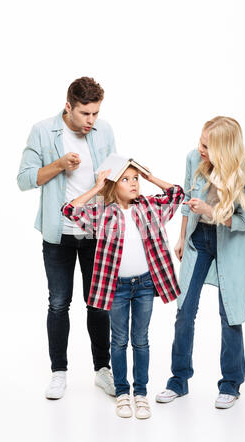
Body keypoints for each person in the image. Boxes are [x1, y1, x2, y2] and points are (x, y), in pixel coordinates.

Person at [17, 77, 117, 399]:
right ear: (68, 106)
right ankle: (58, 373)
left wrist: (113, 179)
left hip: (95, 231)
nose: (91, 121)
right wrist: (59, 165)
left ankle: (103, 370)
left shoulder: (105, 131)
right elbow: (24, 179)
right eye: (85, 114)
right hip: (58, 232)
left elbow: (113, 180)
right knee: (59, 303)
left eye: (96, 114)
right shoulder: (44, 131)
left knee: (98, 305)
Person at [156, 116, 245, 409]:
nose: (199, 148)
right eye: (200, 141)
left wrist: (211, 210)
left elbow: (242, 222)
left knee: (230, 314)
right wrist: (180, 239)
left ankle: (231, 384)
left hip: (230, 242)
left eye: (206, 145)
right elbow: (189, 202)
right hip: (198, 239)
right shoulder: (194, 159)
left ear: (223, 149)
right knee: (184, 310)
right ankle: (178, 380)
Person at [61, 165, 184, 418]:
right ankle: (122, 392)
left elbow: (176, 194)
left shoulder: (150, 206)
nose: (133, 183)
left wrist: (151, 177)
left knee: (141, 340)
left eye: (136, 179)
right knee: (118, 341)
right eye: (126, 179)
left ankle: (140, 393)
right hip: (116, 287)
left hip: (145, 285)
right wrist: (97, 187)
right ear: (113, 185)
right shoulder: (103, 213)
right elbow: (69, 210)